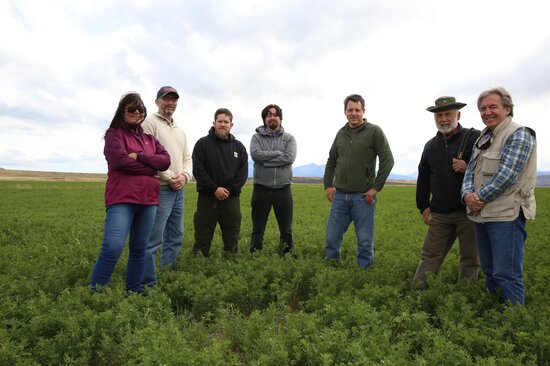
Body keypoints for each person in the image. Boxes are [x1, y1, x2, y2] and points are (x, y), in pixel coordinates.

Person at [462, 87, 536, 305]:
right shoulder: (483, 138)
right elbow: (470, 171)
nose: (487, 112)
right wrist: (467, 195)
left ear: (508, 108)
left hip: (506, 215)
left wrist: (477, 198)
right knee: (490, 271)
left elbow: (507, 175)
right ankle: (495, 316)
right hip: (482, 214)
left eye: (493, 107)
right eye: (483, 109)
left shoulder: (519, 133)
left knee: (507, 273)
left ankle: (513, 323)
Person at [90, 92, 171, 293]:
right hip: (122, 199)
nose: (136, 112)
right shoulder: (114, 134)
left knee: (140, 250)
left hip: (148, 201)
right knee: (112, 247)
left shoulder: (150, 139)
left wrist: (140, 157)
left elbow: (165, 161)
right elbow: (119, 161)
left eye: (140, 109)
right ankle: (95, 293)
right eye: (131, 109)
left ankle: (134, 292)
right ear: (122, 111)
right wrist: (151, 168)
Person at [412, 96, 480, 290]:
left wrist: (468, 168)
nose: (443, 119)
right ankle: (417, 295)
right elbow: (423, 177)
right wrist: (423, 206)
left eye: (447, 114)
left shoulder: (474, 139)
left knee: (470, 257)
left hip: (468, 211)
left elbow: (488, 170)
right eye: (439, 115)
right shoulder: (430, 146)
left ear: (458, 114)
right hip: (440, 212)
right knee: (430, 255)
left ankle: (465, 298)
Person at [323, 94, 394, 269]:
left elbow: (388, 159)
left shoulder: (374, 132)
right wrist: (328, 186)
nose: (353, 113)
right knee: (332, 237)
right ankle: (331, 269)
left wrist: (375, 188)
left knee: (364, 241)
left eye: (357, 110)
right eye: (350, 110)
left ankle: (364, 275)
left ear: (363, 111)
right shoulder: (340, 133)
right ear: (345, 112)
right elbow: (331, 161)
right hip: (340, 196)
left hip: (363, 198)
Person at [141, 86, 192, 287]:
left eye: (174, 99)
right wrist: (170, 177)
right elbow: (148, 156)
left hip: (179, 189)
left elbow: (187, 158)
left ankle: (167, 273)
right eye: (166, 99)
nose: (170, 102)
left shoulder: (180, 130)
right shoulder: (149, 123)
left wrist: (184, 177)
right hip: (161, 188)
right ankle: (146, 282)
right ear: (157, 101)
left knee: (176, 235)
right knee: (154, 238)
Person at [192, 108, 248, 256]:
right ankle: (198, 262)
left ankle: (231, 262)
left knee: (232, 236)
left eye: (226, 122)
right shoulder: (202, 144)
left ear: (231, 125)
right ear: (214, 123)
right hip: (207, 197)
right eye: (220, 121)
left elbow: (243, 174)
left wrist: (228, 190)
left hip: (231, 198)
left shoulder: (239, 147)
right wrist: (214, 189)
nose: (223, 124)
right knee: (202, 234)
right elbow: (198, 170)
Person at [249, 104, 297, 254]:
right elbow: (256, 155)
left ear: (280, 119)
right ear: (264, 119)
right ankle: (255, 255)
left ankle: (287, 255)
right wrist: (278, 153)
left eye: (275, 115)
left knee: (286, 228)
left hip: (283, 189)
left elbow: (289, 158)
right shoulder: (256, 137)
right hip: (261, 188)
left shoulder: (289, 138)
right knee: (258, 228)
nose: (272, 117)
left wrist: (266, 162)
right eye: (268, 115)